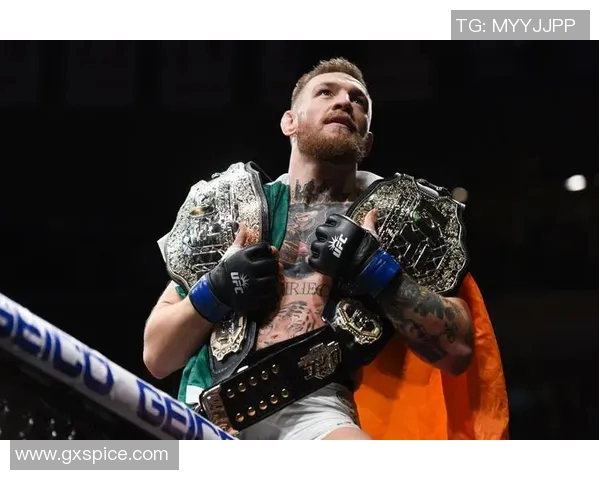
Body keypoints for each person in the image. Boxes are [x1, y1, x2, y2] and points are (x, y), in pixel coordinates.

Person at [143, 57, 509, 440]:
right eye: (325, 92)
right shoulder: (235, 210)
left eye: (358, 100)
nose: (344, 101)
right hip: (208, 405)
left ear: (367, 141)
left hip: (317, 410)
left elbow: (457, 351)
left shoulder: (395, 220)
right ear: (289, 122)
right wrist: (216, 288)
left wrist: (378, 271)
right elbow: (157, 356)